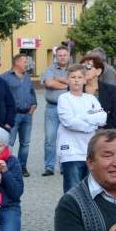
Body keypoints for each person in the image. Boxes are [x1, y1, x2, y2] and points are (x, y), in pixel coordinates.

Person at [57, 64, 108, 192]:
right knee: (73, 190)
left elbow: (102, 117)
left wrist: (82, 118)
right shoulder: (64, 99)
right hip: (71, 152)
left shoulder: (90, 99)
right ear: (68, 79)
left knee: (90, 190)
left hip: (88, 151)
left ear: (85, 80)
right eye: (73, 77)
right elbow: (68, 121)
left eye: (80, 77)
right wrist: (90, 126)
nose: (76, 80)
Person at [1, 53, 35, 177]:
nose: (27, 65)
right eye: (25, 62)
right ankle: (7, 166)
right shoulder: (5, 77)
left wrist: (34, 104)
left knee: (25, 143)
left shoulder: (27, 77)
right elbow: (2, 96)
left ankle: (22, 167)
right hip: (14, 115)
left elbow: (31, 91)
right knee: (10, 141)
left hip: (27, 115)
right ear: (17, 63)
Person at [40, 45, 72, 176]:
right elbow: (49, 84)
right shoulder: (50, 69)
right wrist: (67, 84)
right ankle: (49, 167)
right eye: (60, 55)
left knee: (67, 138)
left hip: (69, 109)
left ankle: (65, 166)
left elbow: (77, 85)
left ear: (68, 56)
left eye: (65, 55)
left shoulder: (74, 69)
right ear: (56, 57)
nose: (62, 57)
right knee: (50, 139)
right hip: (52, 108)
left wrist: (58, 80)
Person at [79, 53, 116, 130]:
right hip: (81, 134)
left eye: (88, 67)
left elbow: (114, 116)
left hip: (103, 134)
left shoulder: (110, 89)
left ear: (98, 71)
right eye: (82, 67)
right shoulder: (76, 89)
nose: (84, 70)